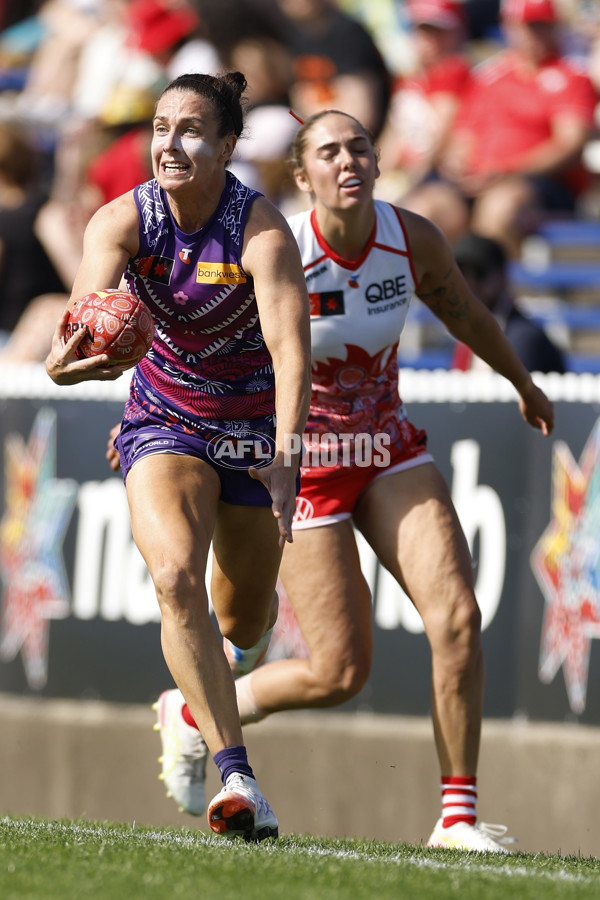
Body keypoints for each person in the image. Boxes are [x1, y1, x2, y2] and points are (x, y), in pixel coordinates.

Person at [145, 108, 555, 852]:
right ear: (302, 177)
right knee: (338, 672)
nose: (348, 160)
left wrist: (524, 384)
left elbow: (466, 313)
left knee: (458, 619)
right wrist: (145, 421)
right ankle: (196, 709)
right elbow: (195, 340)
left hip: (389, 448)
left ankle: (456, 818)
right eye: (328, 151)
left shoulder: (410, 237)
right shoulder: (277, 245)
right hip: (301, 466)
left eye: (359, 146)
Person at [45, 70, 312, 842]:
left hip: (257, 429)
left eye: (192, 130)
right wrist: (75, 359)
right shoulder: (121, 221)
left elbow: (292, 353)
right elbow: (80, 327)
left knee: (247, 617)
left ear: (228, 145)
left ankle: (187, 709)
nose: (171, 143)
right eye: (161, 128)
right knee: (173, 576)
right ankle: (238, 777)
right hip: (166, 415)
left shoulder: (261, 230)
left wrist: (288, 457)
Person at [410, 0, 599, 255]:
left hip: (538, 185)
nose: (531, 34)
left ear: (553, 27)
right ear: (508, 28)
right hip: (478, 180)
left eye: (539, 25)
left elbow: (569, 144)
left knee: (500, 208)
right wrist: (458, 164)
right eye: (524, 26)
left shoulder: (573, 77)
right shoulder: (490, 76)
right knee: (424, 212)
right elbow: (463, 136)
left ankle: (493, 290)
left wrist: (507, 171)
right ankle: (429, 291)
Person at [451, 231, 567, 373]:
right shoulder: (466, 332)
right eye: (460, 273)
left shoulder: (524, 338)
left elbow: (514, 394)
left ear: (502, 276)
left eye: (479, 273)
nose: (469, 283)